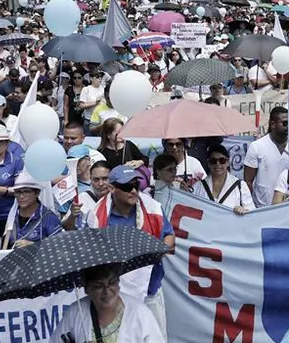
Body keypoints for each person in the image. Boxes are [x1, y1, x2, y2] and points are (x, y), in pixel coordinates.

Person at [86, 166, 175, 339]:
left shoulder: (153, 208)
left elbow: (169, 235)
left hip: (150, 290)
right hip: (115, 295)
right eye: (127, 187)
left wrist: (159, 251)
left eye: (136, 185)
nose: (134, 191)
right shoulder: (96, 216)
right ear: (112, 189)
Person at [52, 263, 164, 343]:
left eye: (111, 283)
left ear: (118, 283)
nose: (107, 291)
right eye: (99, 286)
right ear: (87, 289)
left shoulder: (140, 314)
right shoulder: (75, 313)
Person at [2, 174, 62, 249]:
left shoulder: (49, 218)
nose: (21, 196)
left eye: (26, 192)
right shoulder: (12, 217)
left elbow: (58, 246)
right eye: (18, 192)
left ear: (37, 193)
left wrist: (34, 246)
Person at [191, 144, 254, 214]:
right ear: (208, 164)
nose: (218, 164)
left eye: (222, 160)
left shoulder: (241, 186)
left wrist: (243, 210)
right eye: (213, 161)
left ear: (228, 162)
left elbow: (251, 213)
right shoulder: (198, 187)